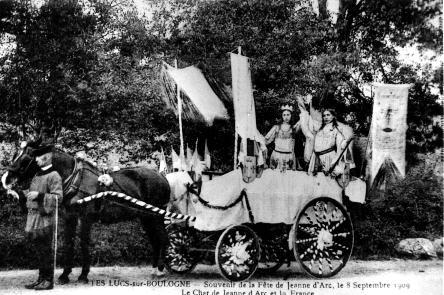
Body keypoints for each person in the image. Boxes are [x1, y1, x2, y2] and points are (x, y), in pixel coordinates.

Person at [24, 145, 63, 290]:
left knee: (46, 249)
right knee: (39, 249)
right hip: (34, 216)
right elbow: (33, 193)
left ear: (46, 158)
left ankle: (48, 280)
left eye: (38, 157)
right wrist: (22, 193)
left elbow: (58, 198)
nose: (35, 160)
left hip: (45, 218)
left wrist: (39, 195)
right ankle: (41, 278)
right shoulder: (38, 174)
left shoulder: (54, 175)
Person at [308, 108, 354, 176]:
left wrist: (344, 143)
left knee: (328, 180)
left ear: (333, 116)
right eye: (324, 116)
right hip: (316, 158)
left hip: (328, 158)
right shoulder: (320, 129)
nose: (326, 117)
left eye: (328, 115)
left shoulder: (336, 129)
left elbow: (340, 146)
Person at [265, 105, 301, 170]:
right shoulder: (276, 128)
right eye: (284, 115)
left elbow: (302, 121)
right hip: (277, 156)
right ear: (282, 116)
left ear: (291, 115)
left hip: (289, 156)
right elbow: (266, 140)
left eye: (288, 115)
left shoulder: (294, 128)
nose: (286, 117)